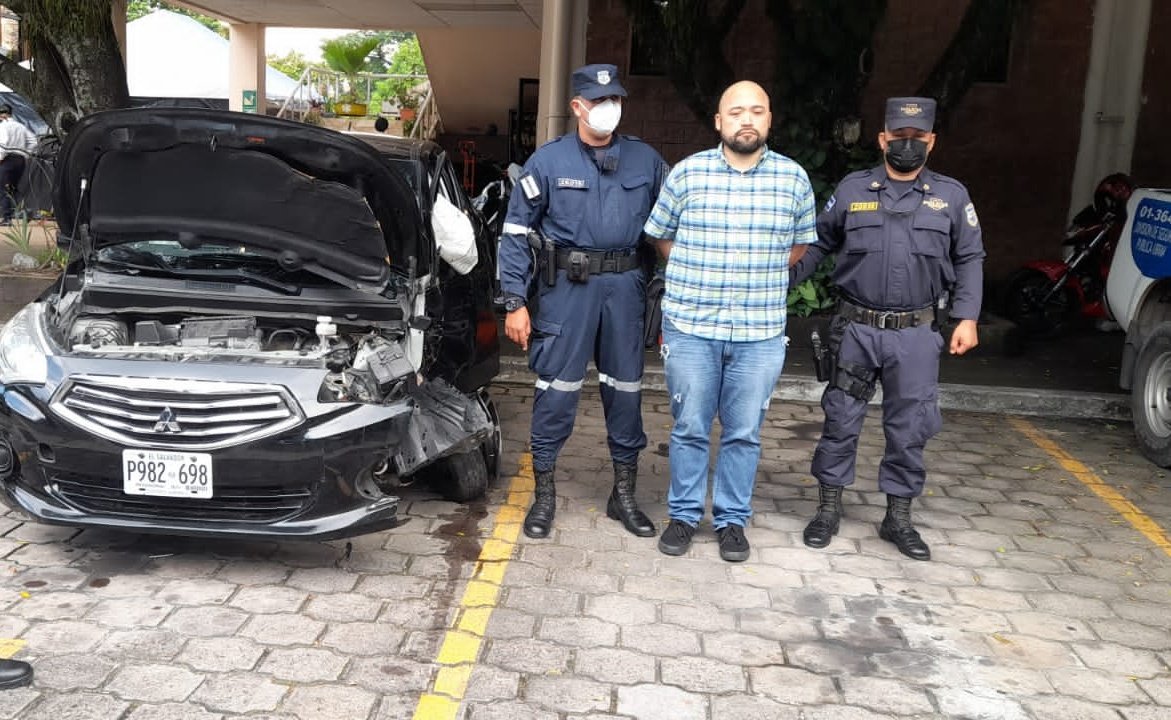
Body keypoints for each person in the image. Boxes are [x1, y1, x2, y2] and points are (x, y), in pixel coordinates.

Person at [792, 97, 985, 561]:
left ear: (931, 141)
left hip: (916, 333)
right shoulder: (855, 188)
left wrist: (968, 317)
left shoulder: (951, 197)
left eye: (917, 138)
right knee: (840, 420)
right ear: (882, 139)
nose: (907, 145)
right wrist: (779, 281)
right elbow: (818, 243)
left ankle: (897, 518)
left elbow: (970, 257)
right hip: (855, 329)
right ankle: (828, 510)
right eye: (899, 136)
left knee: (910, 428)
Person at [644, 80, 817, 562]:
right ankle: (683, 515)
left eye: (756, 111)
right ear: (719, 122)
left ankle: (731, 520)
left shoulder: (793, 179)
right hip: (693, 327)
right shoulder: (687, 174)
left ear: (769, 121)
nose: (746, 120)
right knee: (690, 427)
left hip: (759, 333)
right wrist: (700, 268)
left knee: (744, 432)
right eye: (735, 112)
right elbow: (661, 237)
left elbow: (798, 248)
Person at [497, 64, 668, 540]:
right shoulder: (547, 163)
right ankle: (544, 493)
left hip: (626, 289)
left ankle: (625, 494)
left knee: (626, 390)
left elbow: (674, 229)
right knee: (556, 389)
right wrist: (514, 301)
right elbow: (514, 234)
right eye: (598, 101)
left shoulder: (646, 160)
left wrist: (669, 289)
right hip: (566, 292)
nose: (608, 109)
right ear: (577, 106)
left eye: (615, 99)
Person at [0, 104, 36, 225]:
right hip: (20, 160)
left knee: (4, 188)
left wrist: (0, 158)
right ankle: (22, 211)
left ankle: (7, 218)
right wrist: (27, 154)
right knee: (12, 188)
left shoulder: (3, 126)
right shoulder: (21, 126)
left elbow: (3, 144)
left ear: (3, 115)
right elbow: (33, 141)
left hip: (7, 159)